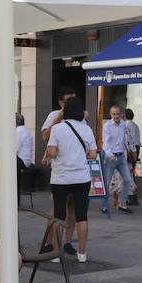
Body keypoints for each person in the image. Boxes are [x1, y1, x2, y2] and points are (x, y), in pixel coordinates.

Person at [45, 96, 97, 263]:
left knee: (59, 216)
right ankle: (82, 253)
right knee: (82, 216)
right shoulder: (87, 129)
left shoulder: (57, 129)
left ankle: (56, 252)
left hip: (61, 178)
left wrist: (58, 152)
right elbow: (93, 154)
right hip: (82, 178)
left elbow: (52, 153)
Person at [102, 105, 136, 213]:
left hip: (121, 156)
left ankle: (123, 204)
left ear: (122, 114)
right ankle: (105, 206)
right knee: (107, 182)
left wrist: (132, 151)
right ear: (111, 114)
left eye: (118, 114)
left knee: (127, 180)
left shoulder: (123, 125)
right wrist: (110, 155)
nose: (116, 116)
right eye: (114, 114)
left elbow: (127, 139)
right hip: (111, 157)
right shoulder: (107, 126)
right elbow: (105, 144)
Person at [124, 109, 142, 205]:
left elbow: (128, 140)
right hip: (136, 149)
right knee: (131, 172)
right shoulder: (135, 125)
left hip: (130, 150)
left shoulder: (126, 125)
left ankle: (130, 196)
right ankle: (132, 196)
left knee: (128, 173)